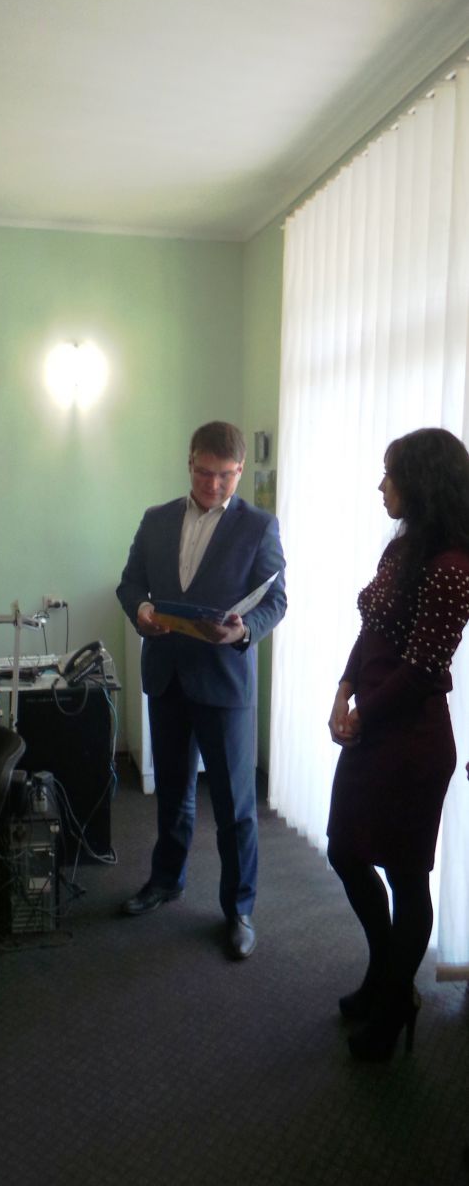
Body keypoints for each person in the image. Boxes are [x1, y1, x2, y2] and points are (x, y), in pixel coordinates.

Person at [116, 421, 286, 959]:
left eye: (226, 476)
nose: (214, 485)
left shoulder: (259, 526)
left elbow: (276, 600)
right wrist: (141, 610)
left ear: (240, 471)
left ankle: (239, 909)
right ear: (190, 462)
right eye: (205, 473)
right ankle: (166, 880)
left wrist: (244, 630)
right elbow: (130, 583)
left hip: (224, 679)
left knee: (235, 805)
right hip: (166, 674)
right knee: (173, 791)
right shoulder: (157, 519)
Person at [327, 427, 469, 1061]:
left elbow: (421, 670)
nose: (381, 485)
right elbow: (372, 630)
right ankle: (388, 978)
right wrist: (343, 691)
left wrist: (361, 714)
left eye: (390, 473)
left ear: (422, 482)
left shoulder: (453, 567)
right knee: (345, 851)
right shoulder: (402, 549)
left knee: (407, 878)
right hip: (373, 729)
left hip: (411, 743)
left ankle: (390, 1004)